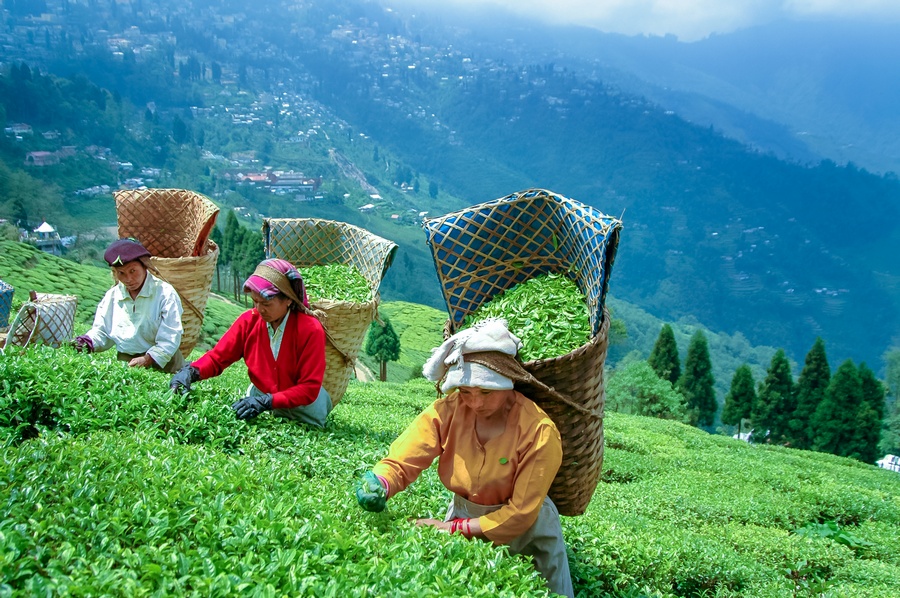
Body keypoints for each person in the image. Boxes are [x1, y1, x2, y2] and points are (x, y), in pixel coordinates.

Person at [355, 319, 575, 598]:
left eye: (486, 392)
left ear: (509, 384)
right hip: (464, 515)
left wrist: (452, 529)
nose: (476, 403)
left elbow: (520, 513)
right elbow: (407, 455)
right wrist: (382, 481)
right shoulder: (448, 411)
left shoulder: (538, 431)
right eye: (466, 392)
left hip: (527, 531)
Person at [169, 258, 332, 427]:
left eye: (266, 303)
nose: (260, 309)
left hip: (303, 408)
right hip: (260, 396)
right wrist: (191, 372)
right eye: (255, 301)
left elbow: (309, 388)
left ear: (288, 299)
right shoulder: (249, 321)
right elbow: (218, 358)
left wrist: (267, 402)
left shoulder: (310, 329)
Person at [74, 238, 185, 374]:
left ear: (144, 266)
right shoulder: (112, 297)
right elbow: (102, 332)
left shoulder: (165, 294)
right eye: (121, 273)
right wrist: (85, 343)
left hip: (166, 364)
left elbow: (171, 336)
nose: (128, 279)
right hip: (127, 363)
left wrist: (148, 359)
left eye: (133, 271)